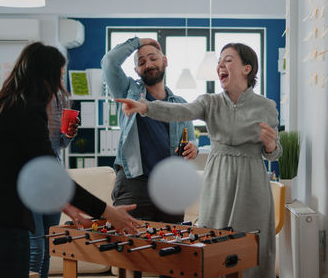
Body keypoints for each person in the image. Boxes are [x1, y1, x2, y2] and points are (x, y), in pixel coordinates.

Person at [0, 42, 139, 278]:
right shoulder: (28, 111)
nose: (61, 85)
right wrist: (109, 213)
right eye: (59, 77)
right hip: (1, 220)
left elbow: (22, 168)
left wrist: (67, 206)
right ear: (44, 77)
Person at [116, 43, 282, 278]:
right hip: (219, 178)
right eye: (219, 62)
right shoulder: (209, 102)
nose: (220, 66)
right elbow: (179, 111)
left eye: (228, 60)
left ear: (247, 68)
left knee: (250, 242)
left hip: (252, 179)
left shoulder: (266, 107)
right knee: (213, 240)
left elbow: (275, 153)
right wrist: (146, 107)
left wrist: (271, 145)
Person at [101, 38, 197, 224]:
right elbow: (109, 62)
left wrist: (193, 146)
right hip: (134, 182)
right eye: (142, 62)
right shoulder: (127, 90)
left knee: (171, 246)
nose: (149, 64)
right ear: (136, 70)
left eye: (153, 58)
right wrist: (139, 41)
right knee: (129, 246)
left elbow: (191, 139)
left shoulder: (180, 103)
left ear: (165, 61)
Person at [29, 73, 80, 278]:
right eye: (55, 75)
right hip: (31, 182)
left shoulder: (60, 103)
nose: (60, 81)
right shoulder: (26, 105)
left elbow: (60, 143)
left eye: (60, 76)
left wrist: (69, 135)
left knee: (48, 245)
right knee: (36, 247)